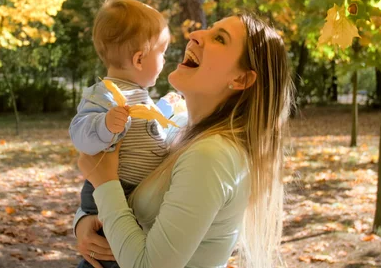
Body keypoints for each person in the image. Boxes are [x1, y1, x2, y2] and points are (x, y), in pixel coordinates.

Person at [75, 14, 294, 268]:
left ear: (240, 79)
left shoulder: (213, 155)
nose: (196, 35)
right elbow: (130, 198)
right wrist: (83, 222)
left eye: (219, 38)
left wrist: (104, 183)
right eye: (209, 29)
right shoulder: (181, 130)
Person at [69, 0, 183, 268]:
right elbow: (79, 132)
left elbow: (149, 126)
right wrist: (105, 125)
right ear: (140, 59)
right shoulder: (105, 95)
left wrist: (166, 107)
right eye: (163, 52)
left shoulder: (140, 96)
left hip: (128, 193)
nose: (165, 60)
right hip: (114, 189)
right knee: (107, 253)